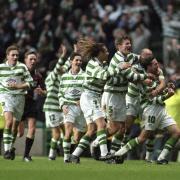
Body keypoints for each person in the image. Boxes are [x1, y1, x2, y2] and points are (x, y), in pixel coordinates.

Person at [109, 58, 180, 165]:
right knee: (142, 138)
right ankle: (117, 154)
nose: (158, 66)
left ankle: (161, 158)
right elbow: (153, 99)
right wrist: (168, 95)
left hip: (161, 110)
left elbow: (160, 92)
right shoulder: (145, 81)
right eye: (155, 64)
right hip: (151, 110)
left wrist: (167, 89)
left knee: (176, 133)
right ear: (149, 67)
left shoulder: (156, 76)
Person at [70, 38, 120, 163]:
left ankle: (74, 155)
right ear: (100, 53)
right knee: (102, 125)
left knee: (92, 129)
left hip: (94, 97)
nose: (108, 53)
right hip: (89, 96)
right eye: (106, 51)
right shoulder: (93, 63)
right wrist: (120, 67)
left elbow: (109, 77)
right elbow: (104, 76)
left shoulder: (102, 64)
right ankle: (104, 154)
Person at [0, 45, 33, 160]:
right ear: (7, 56)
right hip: (5, 96)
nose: (15, 57)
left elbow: (31, 83)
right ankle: (7, 151)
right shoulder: (1, 68)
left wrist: (18, 86)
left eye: (17, 55)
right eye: (13, 55)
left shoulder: (22, 67)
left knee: (14, 127)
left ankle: (10, 148)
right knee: (8, 122)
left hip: (19, 98)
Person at [16, 50, 45, 162]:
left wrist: (42, 92)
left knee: (32, 128)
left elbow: (45, 91)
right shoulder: (18, 72)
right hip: (19, 102)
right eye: (30, 59)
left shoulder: (38, 76)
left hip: (31, 104)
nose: (33, 61)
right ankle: (9, 148)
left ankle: (26, 155)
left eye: (34, 59)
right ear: (25, 60)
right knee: (20, 133)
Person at [43, 44, 70, 160]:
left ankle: (58, 148)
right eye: (61, 69)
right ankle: (51, 155)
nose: (64, 70)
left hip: (59, 109)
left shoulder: (59, 78)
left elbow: (67, 65)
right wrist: (63, 55)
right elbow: (59, 68)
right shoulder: (51, 77)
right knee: (57, 133)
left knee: (66, 131)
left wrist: (72, 54)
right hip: (51, 109)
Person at [58, 52, 86, 163]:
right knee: (68, 131)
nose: (78, 62)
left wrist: (83, 99)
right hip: (68, 106)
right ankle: (66, 158)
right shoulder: (64, 77)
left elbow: (88, 91)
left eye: (80, 60)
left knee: (77, 136)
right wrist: (62, 105)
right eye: (76, 60)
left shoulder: (85, 75)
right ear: (71, 62)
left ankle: (74, 155)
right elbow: (60, 93)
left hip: (81, 108)